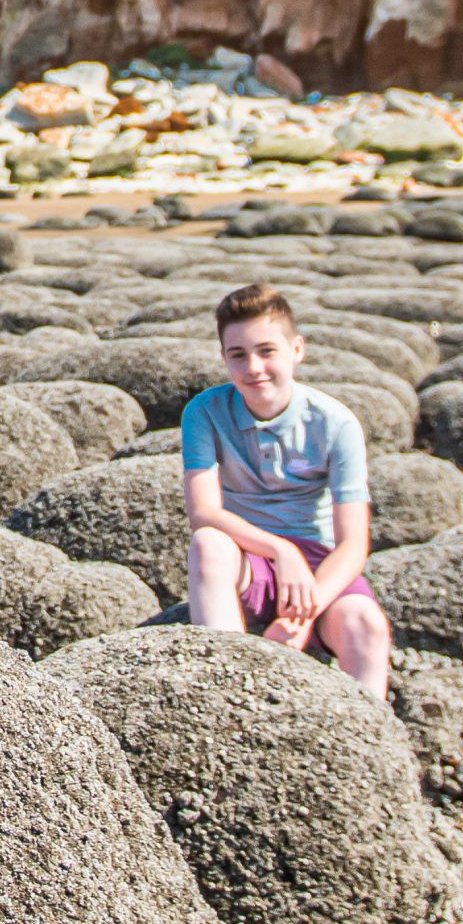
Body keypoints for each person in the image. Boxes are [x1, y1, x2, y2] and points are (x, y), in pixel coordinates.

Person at [180, 283, 389, 697]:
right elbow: (203, 512)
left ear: (297, 349)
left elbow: (353, 543)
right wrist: (280, 550)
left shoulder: (335, 422)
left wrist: (301, 615)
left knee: (366, 625)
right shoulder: (203, 412)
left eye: (266, 350)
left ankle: (370, 741)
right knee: (207, 543)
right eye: (238, 355)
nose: (253, 367)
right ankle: (226, 689)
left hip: (320, 564)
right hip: (249, 556)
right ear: (224, 358)